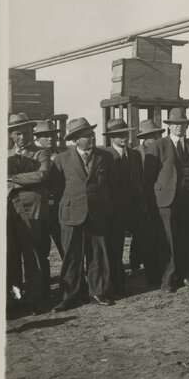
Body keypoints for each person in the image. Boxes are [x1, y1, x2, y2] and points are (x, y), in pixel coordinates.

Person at [47, 117, 116, 309]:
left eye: (92, 134)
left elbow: (112, 185)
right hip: (71, 213)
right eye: (86, 136)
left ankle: (98, 292)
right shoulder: (61, 159)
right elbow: (56, 188)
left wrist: (107, 208)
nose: (91, 138)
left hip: (98, 213)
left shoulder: (105, 157)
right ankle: (70, 295)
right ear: (75, 140)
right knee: (72, 256)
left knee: (97, 254)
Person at [145, 108, 189, 293]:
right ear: (169, 127)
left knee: (186, 238)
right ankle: (167, 279)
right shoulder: (158, 146)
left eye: (183, 124)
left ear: (187, 126)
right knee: (168, 240)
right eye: (175, 124)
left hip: (188, 200)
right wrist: (153, 203)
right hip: (166, 202)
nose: (179, 128)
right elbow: (148, 178)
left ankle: (185, 275)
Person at [7, 113, 53, 313]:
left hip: (31, 210)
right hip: (9, 210)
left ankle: (35, 299)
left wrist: (10, 178)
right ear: (11, 135)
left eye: (25, 133)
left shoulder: (41, 152)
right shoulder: (6, 155)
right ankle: (15, 299)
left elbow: (41, 175)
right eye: (17, 134)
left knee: (32, 255)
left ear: (31, 132)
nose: (22, 138)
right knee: (11, 256)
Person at [103, 117, 143, 297]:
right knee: (115, 248)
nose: (124, 138)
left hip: (134, 208)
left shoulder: (134, 154)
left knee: (143, 239)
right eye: (119, 135)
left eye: (125, 134)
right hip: (114, 210)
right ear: (111, 137)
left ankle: (138, 272)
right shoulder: (105, 155)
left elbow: (139, 181)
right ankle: (117, 285)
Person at [133, 119, 167, 287]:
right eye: (151, 136)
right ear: (144, 138)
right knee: (141, 237)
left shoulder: (163, 150)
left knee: (158, 237)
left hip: (158, 200)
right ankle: (137, 268)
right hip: (140, 201)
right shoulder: (136, 153)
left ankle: (157, 272)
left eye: (157, 135)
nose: (155, 138)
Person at [32, 119, 65, 263]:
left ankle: (73, 284)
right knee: (41, 250)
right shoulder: (34, 155)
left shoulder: (64, 153)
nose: (50, 138)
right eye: (45, 135)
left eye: (52, 135)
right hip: (41, 209)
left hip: (60, 208)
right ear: (37, 138)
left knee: (66, 247)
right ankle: (43, 284)